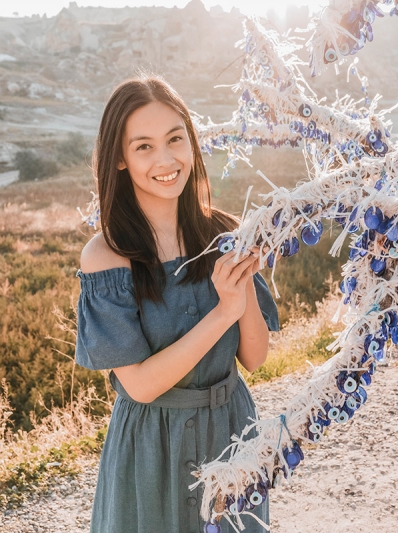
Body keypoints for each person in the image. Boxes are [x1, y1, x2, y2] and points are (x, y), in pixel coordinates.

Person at [75, 74, 280, 532]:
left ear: (192, 142)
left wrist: (240, 285)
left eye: (175, 139)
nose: (166, 160)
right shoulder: (106, 256)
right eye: (143, 146)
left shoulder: (226, 232)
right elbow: (141, 386)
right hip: (150, 447)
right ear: (121, 159)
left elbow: (255, 357)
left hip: (231, 432)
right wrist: (222, 310)